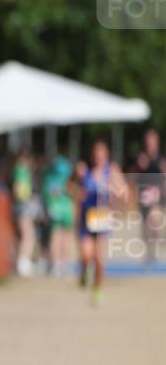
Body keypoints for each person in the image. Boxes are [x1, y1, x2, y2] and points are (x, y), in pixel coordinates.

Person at [75, 140, 128, 306]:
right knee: (86, 255)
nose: (98, 155)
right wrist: (78, 194)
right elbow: (72, 188)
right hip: (86, 218)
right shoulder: (84, 171)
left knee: (98, 258)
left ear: (106, 154)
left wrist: (116, 191)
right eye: (96, 152)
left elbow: (124, 192)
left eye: (101, 152)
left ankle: (97, 289)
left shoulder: (112, 170)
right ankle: (84, 272)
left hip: (102, 219)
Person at [41, 155, 75, 277]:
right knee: (63, 238)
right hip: (64, 211)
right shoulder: (66, 180)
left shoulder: (49, 179)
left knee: (57, 237)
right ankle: (61, 264)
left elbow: (47, 195)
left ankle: (58, 264)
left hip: (55, 211)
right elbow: (73, 193)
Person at [136, 129, 164, 264]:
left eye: (152, 140)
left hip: (156, 194)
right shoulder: (142, 157)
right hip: (144, 194)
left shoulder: (161, 158)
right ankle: (149, 250)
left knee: (155, 221)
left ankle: (155, 245)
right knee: (145, 225)